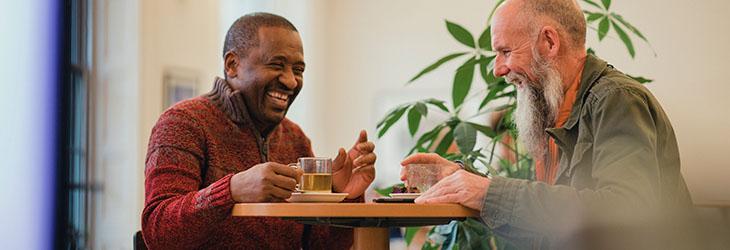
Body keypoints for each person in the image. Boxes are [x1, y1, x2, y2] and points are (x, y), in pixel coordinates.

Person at [401, 0, 697, 248]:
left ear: (549, 42)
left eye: (505, 51)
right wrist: (463, 182)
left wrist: (487, 193)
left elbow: (625, 211)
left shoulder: (616, 99)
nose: (497, 69)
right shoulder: (558, 108)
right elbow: (550, 223)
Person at [141, 12, 376, 249]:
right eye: (276, 65)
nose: (291, 81)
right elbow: (158, 232)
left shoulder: (295, 138)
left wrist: (343, 196)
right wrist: (232, 190)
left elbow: (321, 246)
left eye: (298, 69)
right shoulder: (183, 123)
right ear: (232, 65)